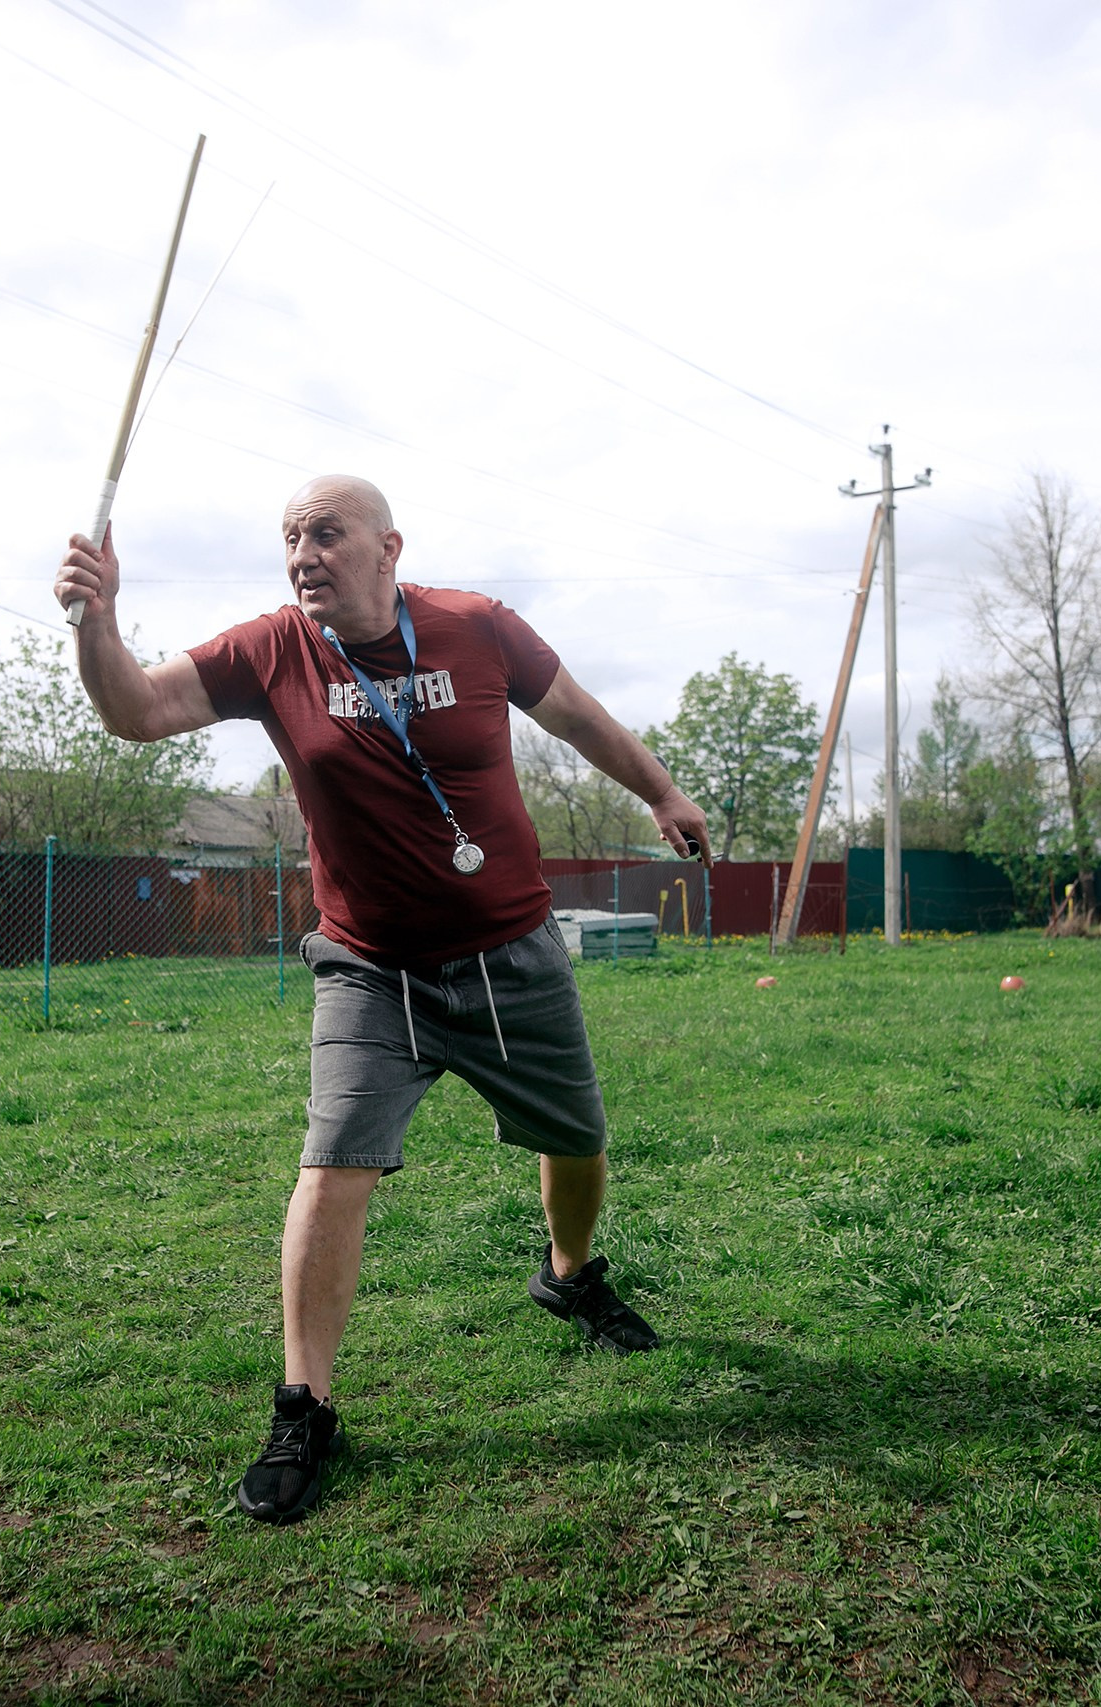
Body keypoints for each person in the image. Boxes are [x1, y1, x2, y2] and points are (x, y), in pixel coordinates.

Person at [56, 474, 709, 1525]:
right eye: (289, 538)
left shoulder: (477, 629)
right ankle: (305, 1406)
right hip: (371, 968)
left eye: (326, 533)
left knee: (578, 1139)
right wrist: (101, 619)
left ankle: (568, 1274)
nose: (303, 554)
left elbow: (580, 717)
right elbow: (134, 711)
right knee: (331, 1171)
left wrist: (662, 791)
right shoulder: (272, 651)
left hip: (511, 952)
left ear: (387, 547)